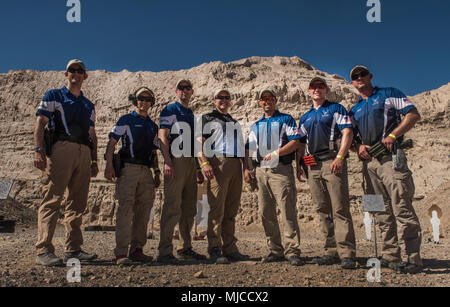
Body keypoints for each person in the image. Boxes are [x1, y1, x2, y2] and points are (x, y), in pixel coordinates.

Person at [348, 65, 423, 274]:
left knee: (402, 206)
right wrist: (358, 147)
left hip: (390, 160)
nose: (360, 78)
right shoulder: (354, 109)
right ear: (352, 83)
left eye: (363, 74)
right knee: (378, 210)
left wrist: (393, 135)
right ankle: (390, 255)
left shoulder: (389, 94)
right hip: (367, 166)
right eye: (355, 77)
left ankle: (414, 259)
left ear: (370, 76)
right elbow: (351, 138)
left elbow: (413, 115)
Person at [33, 59, 98, 266]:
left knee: (77, 203)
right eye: (72, 70)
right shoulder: (54, 95)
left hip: (84, 151)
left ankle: (73, 249)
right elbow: (40, 123)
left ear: (85, 76)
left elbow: (92, 133)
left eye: (80, 71)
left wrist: (94, 159)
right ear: (66, 74)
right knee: (52, 198)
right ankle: (43, 249)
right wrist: (38, 150)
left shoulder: (88, 104)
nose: (76, 74)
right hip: (61, 148)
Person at [297, 77, 356, 269]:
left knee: (339, 208)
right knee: (322, 209)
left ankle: (346, 253)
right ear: (308, 92)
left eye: (321, 87)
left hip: (332, 161)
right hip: (312, 164)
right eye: (313, 87)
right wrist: (300, 165)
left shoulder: (335, 109)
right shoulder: (305, 117)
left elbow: (347, 132)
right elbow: (302, 144)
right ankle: (330, 251)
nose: (317, 90)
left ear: (326, 90)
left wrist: (340, 157)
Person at [244, 88, 303, 266]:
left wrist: (277, 153)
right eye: (264, 99)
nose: (267, 101)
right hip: (261, 171)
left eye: (270, 98)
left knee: (287, 210)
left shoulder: (286, 119)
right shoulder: (256, 125)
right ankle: (275, 250)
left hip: (281, 170)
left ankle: (292, 250)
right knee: (265, 211)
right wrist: (247, 169)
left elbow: (295, 141)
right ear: (260, 103)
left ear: (275, 101)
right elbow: (249, 149)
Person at [105, 87, 161, 265]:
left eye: (147, 99)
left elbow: (154, 152)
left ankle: (137, 250)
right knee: (125, 210)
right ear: (135, 101)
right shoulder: (126, 119)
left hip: (146, 171)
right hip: (128, 168)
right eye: (140, 99)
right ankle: (121, 252)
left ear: (151, 103)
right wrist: (108, 165)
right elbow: (112, 143)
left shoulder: (153, 126)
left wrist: (157, 172)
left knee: (144, 212)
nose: (143, 102)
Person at [198, 89, 250, 264]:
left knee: (231, 210)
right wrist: (204, 163)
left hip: (235, 164)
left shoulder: (234, 121)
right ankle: (214, 249)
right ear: (214, 100)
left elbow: (241, 146)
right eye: (220, 97)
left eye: (227, 98)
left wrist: (246, 167)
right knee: (216, 210)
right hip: (217, 162)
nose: (224, 100)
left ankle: (229, 248)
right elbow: (199, 142)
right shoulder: (206, 118)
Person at [157, 79, 206, 263]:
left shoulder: (191, 114)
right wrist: (167, 161)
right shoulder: (170, 110)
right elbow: (163, 135)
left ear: (192, 91)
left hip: (190, 163)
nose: (184, 91)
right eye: (181, 88)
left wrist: (198, 168)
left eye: (187, 88)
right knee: (172, 206)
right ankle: (164, 251)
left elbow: (194, 143)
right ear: (176, 91)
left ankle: (185, 248)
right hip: (176, 160)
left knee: (189, 208)